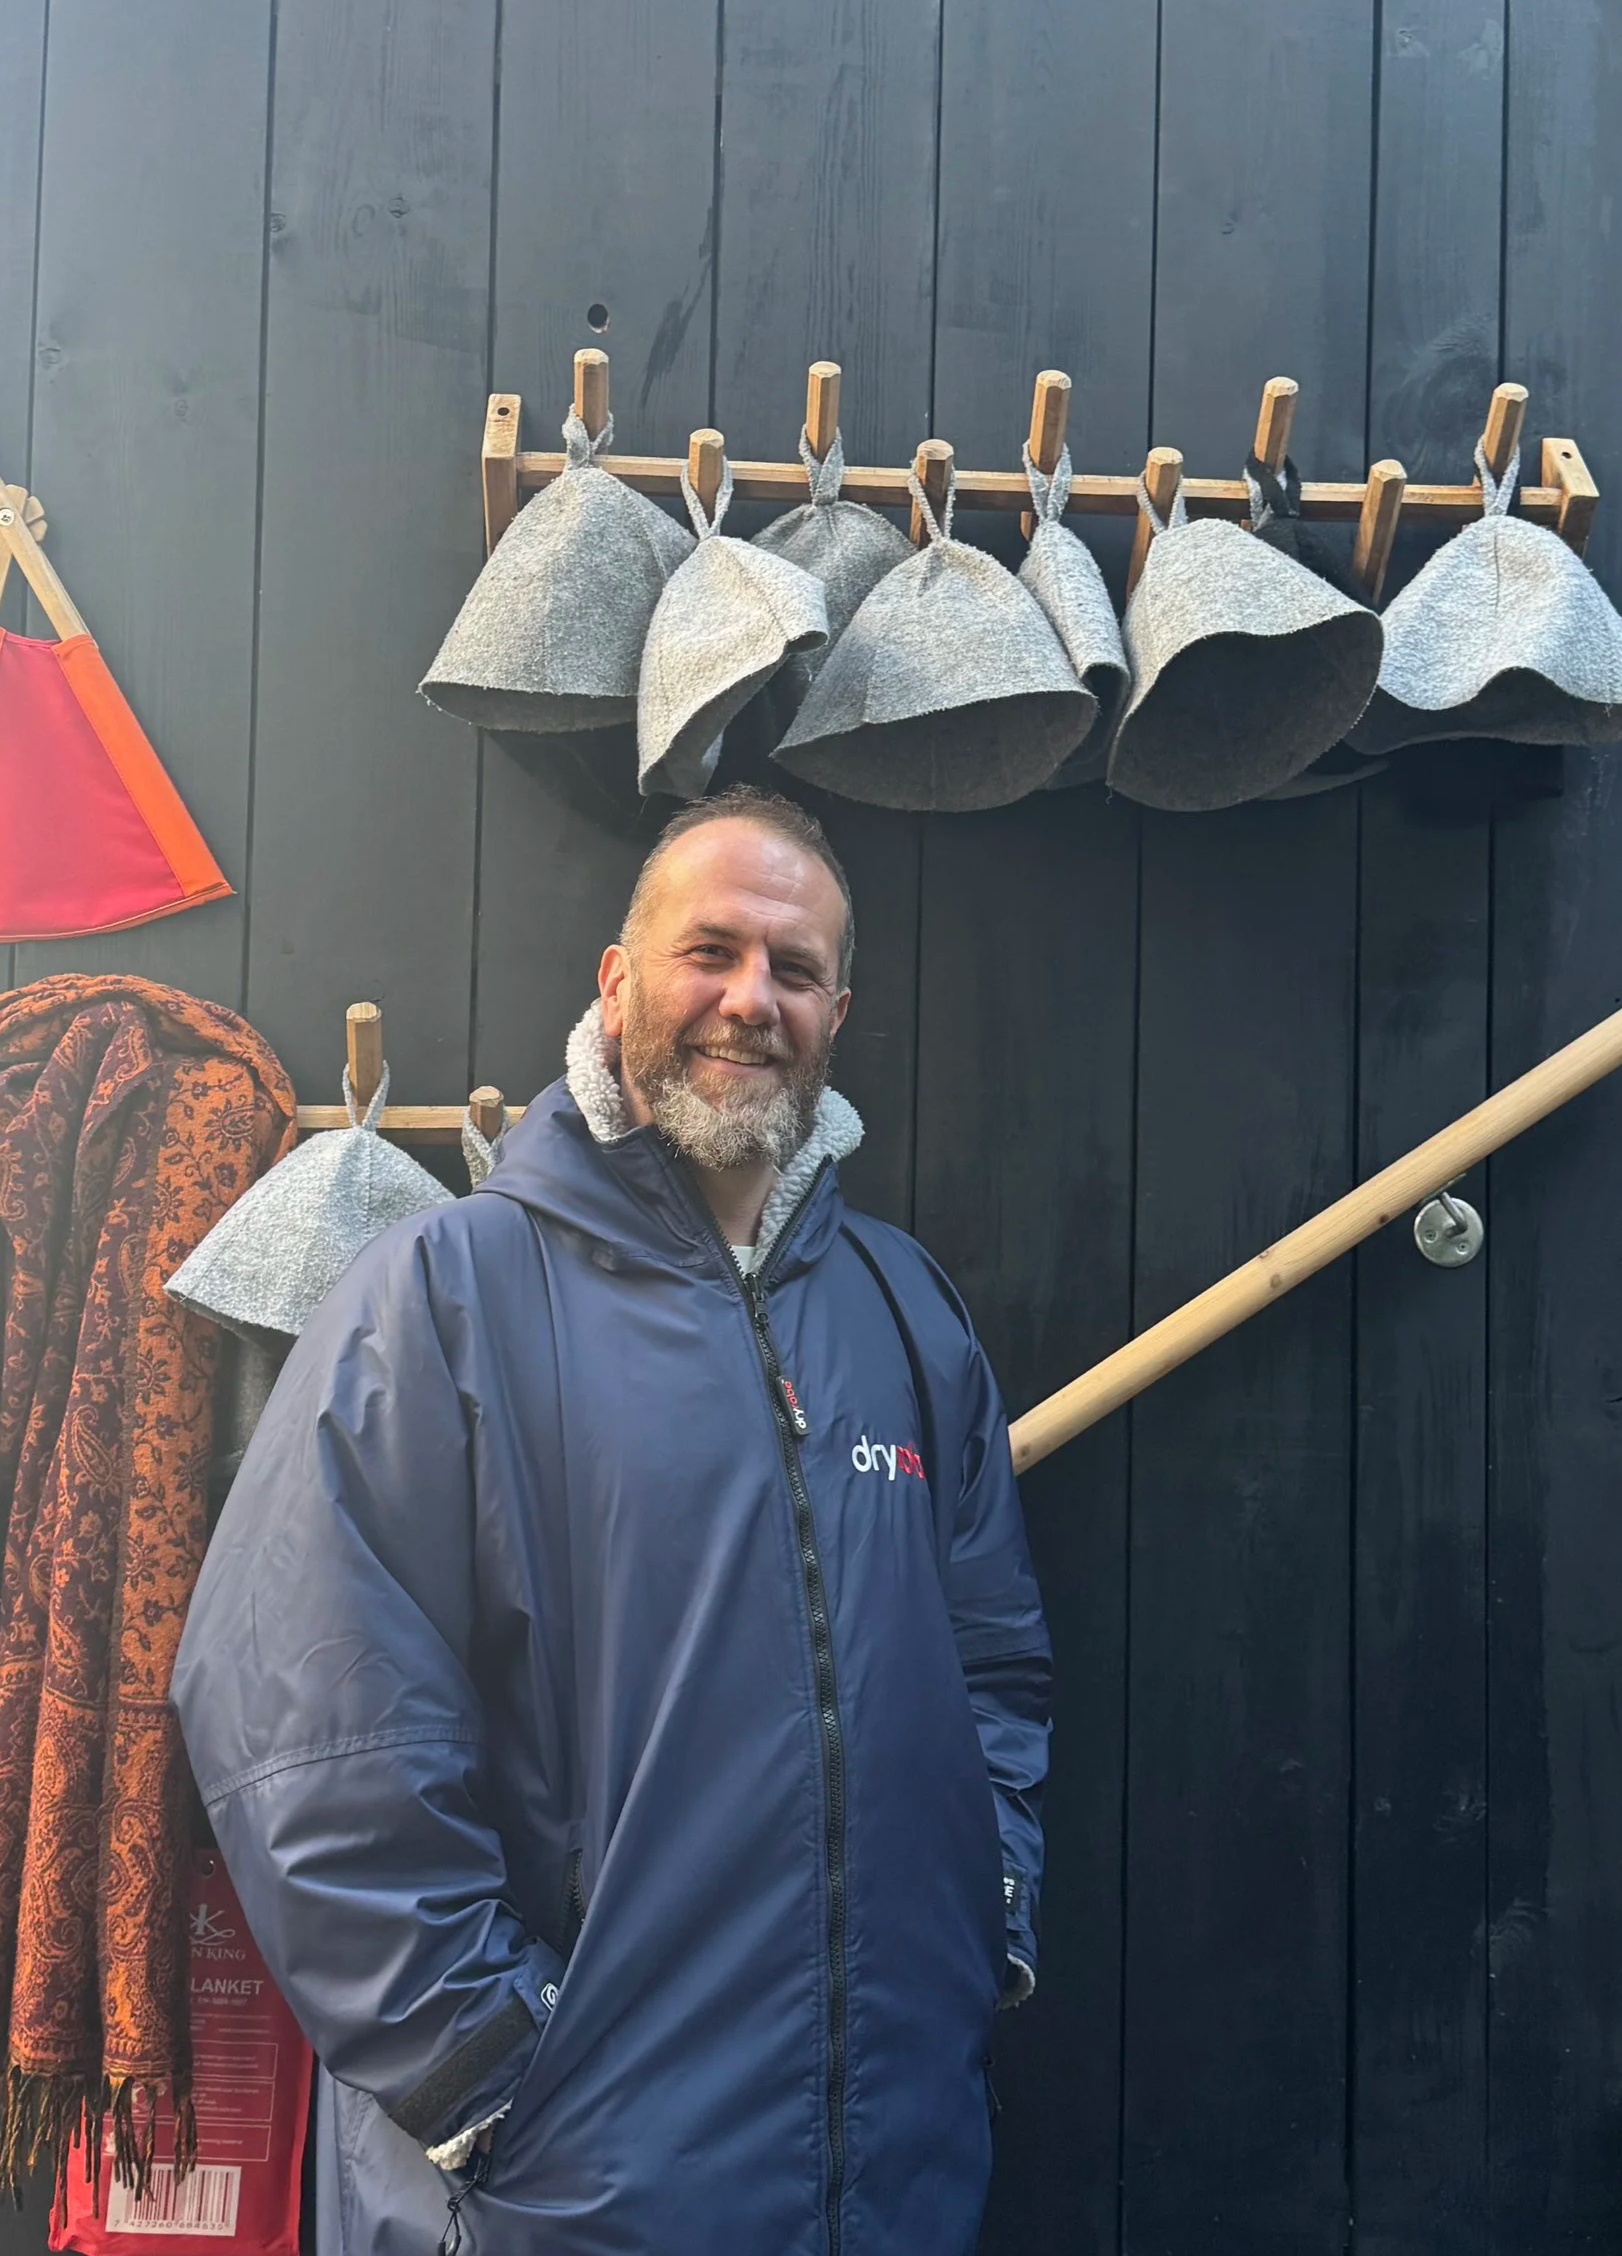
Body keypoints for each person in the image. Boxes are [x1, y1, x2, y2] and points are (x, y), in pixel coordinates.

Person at [172, 786, 1051, 2256]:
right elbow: (297, 1726)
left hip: (891, 2176)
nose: (749, 998)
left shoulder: (907, 1315)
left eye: (794, 966)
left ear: (842, 1007)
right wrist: (491, 2074)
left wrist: (992, 1916)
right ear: (619, 977)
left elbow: (996, 1671)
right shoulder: (442, 1297)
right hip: (554, 2193)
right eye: (710, 950)